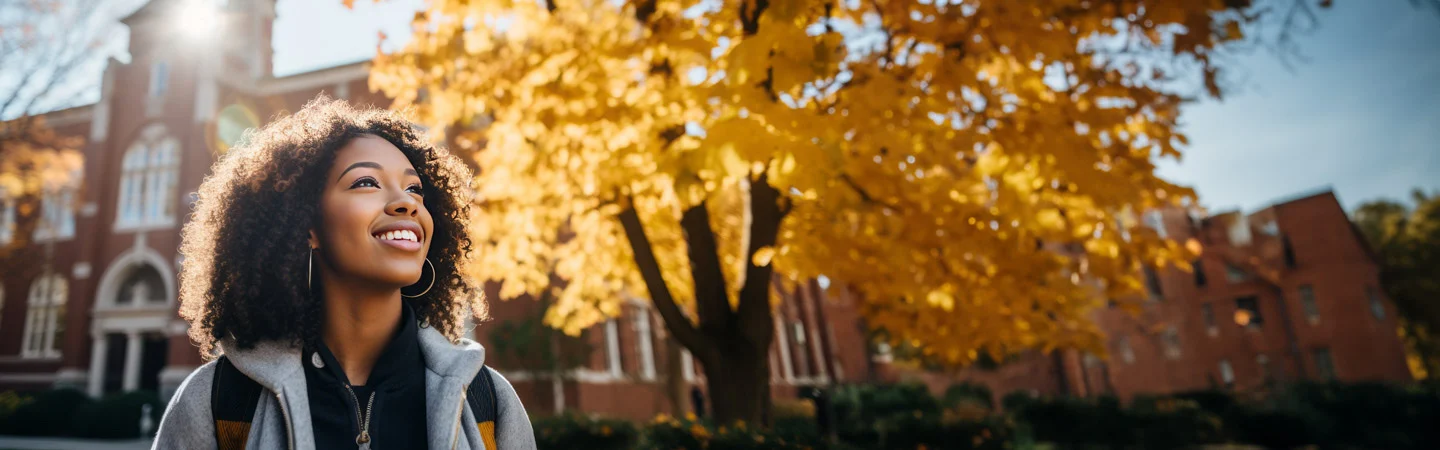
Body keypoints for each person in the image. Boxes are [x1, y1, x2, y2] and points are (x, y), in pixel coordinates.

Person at [153, 97, 535, 449]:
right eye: (366, 182)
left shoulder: (489, 401)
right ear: (307, 225)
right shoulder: (219, 400)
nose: (406, 203)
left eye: (414, 188)